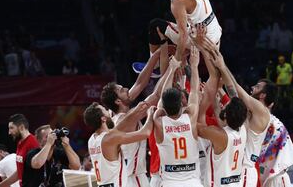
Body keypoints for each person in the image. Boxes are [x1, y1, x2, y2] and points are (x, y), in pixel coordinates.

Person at [100, 42, 178, 187]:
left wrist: (156, 54)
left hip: (127, 177)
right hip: (133, 178)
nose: (127, 89)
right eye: (123, 90)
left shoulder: (115, 113)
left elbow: (140, 83)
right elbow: (156, 95)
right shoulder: (126, 118)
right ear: (118, 101)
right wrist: (173, 67)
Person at [200, 38, 271, 187]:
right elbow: (233, 96)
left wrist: (220, 65)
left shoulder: (261, 112)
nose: (252, 88)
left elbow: (236, 91)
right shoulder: (243, 124)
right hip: (239, 169)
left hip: (244, 171)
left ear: (264, 95)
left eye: (257, 87)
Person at [153, 46, 203, 187]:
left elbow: (162, 100)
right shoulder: (190, 117)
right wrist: (194, 65)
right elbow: (194, 92)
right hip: (193, 182)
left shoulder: (158, 121)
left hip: (170, 182)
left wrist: (172, 69)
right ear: (181, 103)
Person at [197, 49, 248, 187]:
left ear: (226, 115)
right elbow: (233, 99)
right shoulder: (242, 130)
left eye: (224, 106)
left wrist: (205, 97)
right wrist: (214, 93)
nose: (223, 105)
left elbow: (198, 125)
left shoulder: (219, 135)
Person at [84, 102, 155, 187]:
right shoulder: (110, 139)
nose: (108, 111)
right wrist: (150, 114)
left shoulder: (91, 140)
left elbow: (118, 128)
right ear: (103, 119)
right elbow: (145, 133)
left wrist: (135, 111)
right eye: (105, 110)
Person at [0, 114, 39, 187]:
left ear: (21, 127)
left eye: (11, 128)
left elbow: (38, 173)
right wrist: (0, 185)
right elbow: (20, 172)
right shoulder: (20, 143)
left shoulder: (33, 143)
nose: (9, 132)